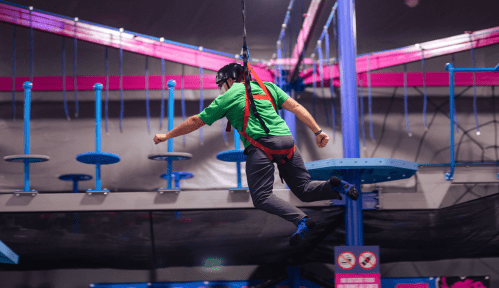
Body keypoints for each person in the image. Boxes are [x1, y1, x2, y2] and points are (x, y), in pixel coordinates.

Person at [154, 63, 359, 246]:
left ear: (231, 80)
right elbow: (295, 107)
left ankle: (301, 219)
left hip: (260, 146)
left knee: (261, 197)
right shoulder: (268, 87)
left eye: (222, 84)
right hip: (287, 143)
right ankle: (336, 185)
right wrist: (317, 131)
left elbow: (195, 121)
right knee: (304, 189)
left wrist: (167, 135)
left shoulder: (228, 96)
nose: (221, 88)